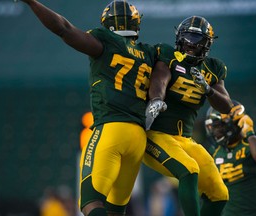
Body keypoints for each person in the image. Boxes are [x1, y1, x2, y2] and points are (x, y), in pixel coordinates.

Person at [16, 0, 157, 215]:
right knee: (116, 209)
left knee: (90, 202)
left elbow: (63, 28)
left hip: (111, 129)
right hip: (138, 137)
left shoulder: (106, 42)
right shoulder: (148, 54)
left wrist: (31, 2)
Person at [144, 15, 235, 216]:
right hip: (156, 135)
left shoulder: (213, 68)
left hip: (184, 140)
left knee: (219, 193)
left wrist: (208, 89)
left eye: (196, 40)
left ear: (207, 44)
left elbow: (227, 106)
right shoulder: (168, 55)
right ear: (178, 37)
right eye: (186, 38)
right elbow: (160, 78)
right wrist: (157, 100)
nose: (190, 45)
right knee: (189, 170)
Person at [205, 102, 256, 216]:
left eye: (219, 126)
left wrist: (250, 134)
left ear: (234, 123)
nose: (215, 131)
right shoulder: (216, 152)